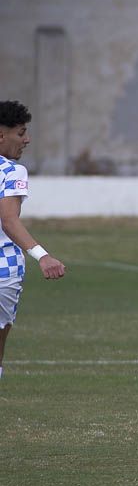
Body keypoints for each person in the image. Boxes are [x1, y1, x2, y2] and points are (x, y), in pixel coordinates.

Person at [0, 101, 67, 379]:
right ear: (1, 135)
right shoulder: (11, 171)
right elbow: (9, 219)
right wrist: (42, 255)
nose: (26, 139)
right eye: (20, 133)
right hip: (4, 271)